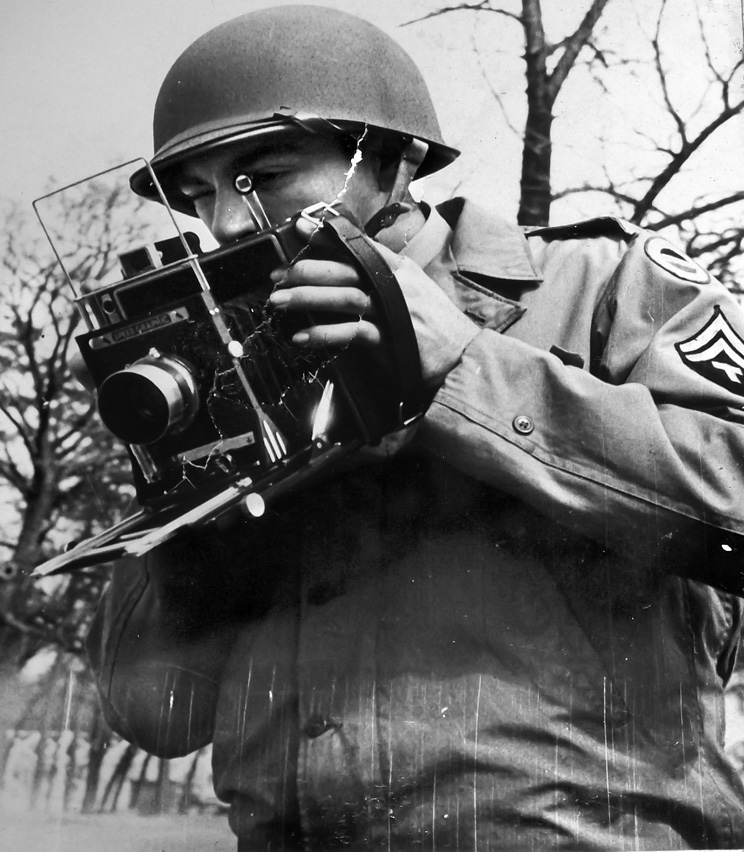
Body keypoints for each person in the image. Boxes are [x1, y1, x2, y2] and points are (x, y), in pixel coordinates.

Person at [86, 6, 744, 850]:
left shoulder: (592, 287)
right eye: (198, 196)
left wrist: (461, 367)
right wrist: (183, 488)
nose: (223, 226)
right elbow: (154, 714)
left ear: (394, 157)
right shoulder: (231, 380)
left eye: (263, 175)